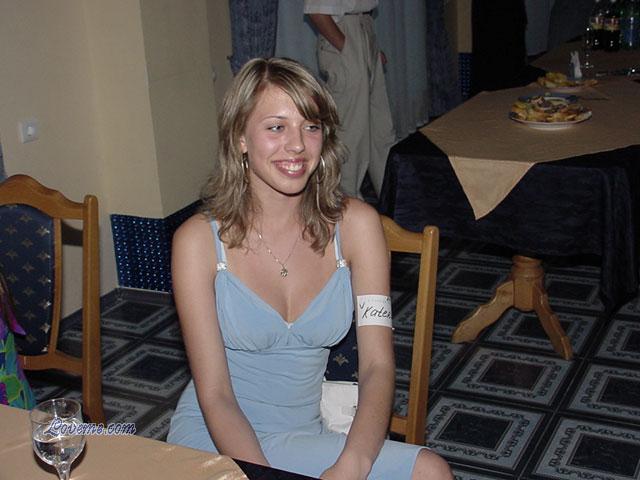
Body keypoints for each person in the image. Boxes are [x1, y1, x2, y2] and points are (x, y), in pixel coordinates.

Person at [167, 57, 452, 479]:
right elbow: (216, 394)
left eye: (311, 126)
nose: (298, 145)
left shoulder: (357, 227)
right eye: (276, 127)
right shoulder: (198, 243)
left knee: (431, 470)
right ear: (240, 137)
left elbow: (377, 367)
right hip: (216, 438)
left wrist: (354, 463)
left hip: (299, 437)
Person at [304, 0, 395, 200]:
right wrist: (347, 49)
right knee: (351, 132)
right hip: (346, 31)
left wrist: (367, 47)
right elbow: (317, 11)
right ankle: (345, 202)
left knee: (380, 129)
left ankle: (392, 199)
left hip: (362, 26)